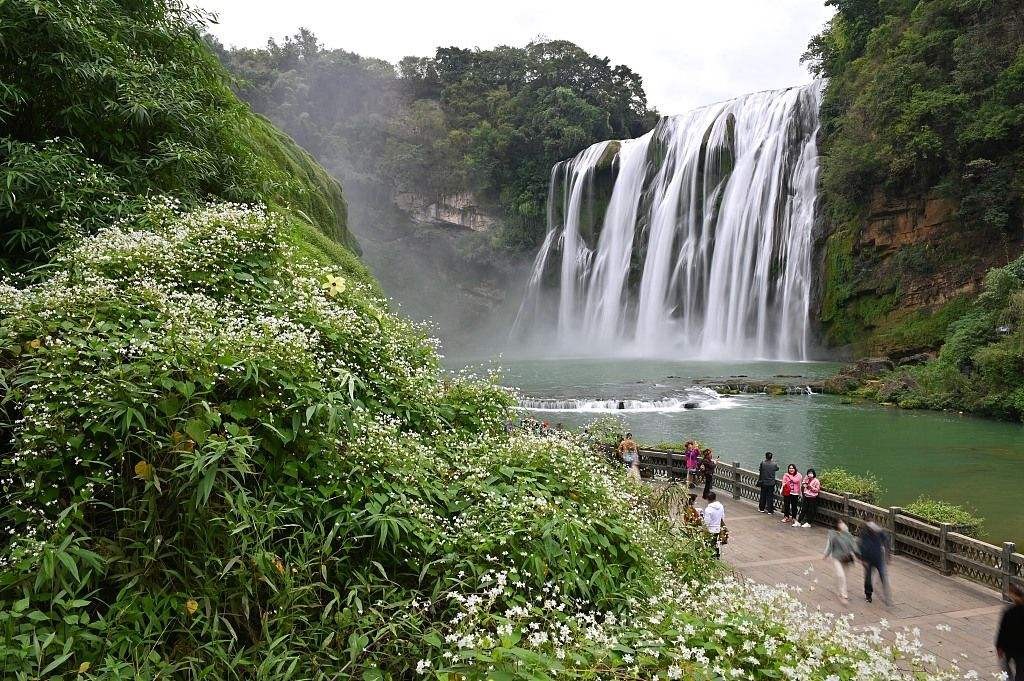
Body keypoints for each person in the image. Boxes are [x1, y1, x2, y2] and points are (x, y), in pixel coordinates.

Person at [822, 520, 857, 603]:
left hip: (846, 558)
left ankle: (840, 587)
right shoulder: (833, 535)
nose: (843, 525)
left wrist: (858, 555)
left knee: (844, 575)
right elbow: (830, 546)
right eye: (841, 523)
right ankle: (843, 593)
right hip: (836, 557)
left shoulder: (848, 535)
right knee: (841, 575)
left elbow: (853, 546)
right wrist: (825, 555)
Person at [859, 521, 892, 605]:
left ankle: (887, 595)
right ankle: (868, 595)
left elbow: (886, 541)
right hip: (868, 560)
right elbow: (861, 547)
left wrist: (888, 555)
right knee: (868, 578)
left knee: (883, 576)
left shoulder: (879, 532)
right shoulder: (864, 534)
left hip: (879, 559)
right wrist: (863, 559)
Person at [997, 583, 1024, 680]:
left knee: (1006, 667)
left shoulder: (1009, 612)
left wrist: (999, 646)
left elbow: (1002, 630)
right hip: (1021, 648)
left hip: (1009, 646)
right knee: (1021, 670)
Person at [702, 491, 725, 558]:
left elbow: (707, 522)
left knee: (709, 543)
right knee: (715, 542)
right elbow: (722, 517)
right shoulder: (721, 506)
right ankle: (717, 555)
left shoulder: (708, 509)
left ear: (708, 499)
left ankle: (711, 556)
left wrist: (704, 529)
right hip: (717, 528)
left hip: (710, 529)